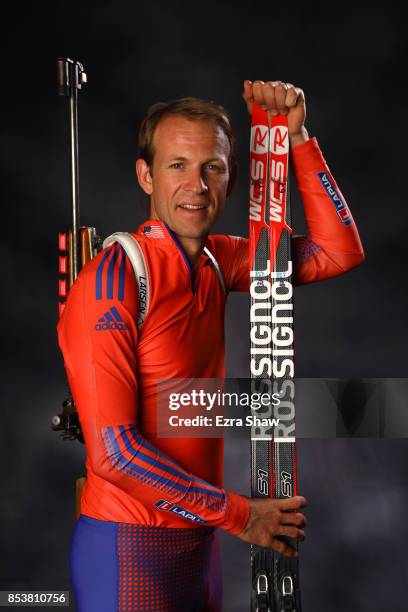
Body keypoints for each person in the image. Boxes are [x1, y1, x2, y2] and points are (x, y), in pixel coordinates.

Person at [57, 80, 364, 612]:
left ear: (230, 178)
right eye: (177, 165)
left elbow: (339, 252)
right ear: (145, 175)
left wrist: (298, 140)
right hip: (127, 549)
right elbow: (113, 455)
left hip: (198, 548)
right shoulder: (115, 279)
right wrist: (244, 516)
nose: (196, 185)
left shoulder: (220, 261)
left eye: (212, 168)